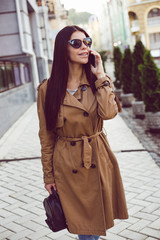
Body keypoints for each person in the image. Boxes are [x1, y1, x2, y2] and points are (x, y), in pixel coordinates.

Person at [37, 25, 128, 240]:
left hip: (96, 155)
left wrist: (101, 75)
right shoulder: (47, 89)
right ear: (62, 49)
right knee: (83, 226)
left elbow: (108, 114)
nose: (84, 47)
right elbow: (46, 135)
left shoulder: (99, 81)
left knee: (91, 225)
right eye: (76, 43)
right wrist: (48, 175)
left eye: (87, 42)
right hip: (67, 164)